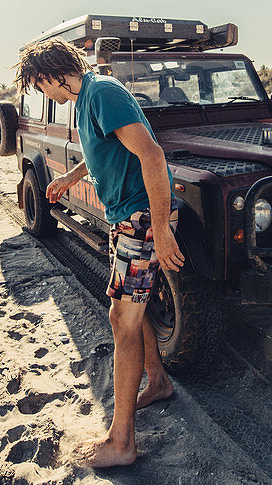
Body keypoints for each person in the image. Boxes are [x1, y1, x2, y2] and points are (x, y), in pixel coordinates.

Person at [14, 38, 183, 468]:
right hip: (126, 217)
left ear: (51, 73)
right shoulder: (87, 97)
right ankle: (158, 381)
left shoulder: (103, 92)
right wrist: (70, 177)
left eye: (40, 85)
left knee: (122, 320)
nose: (43, 94)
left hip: (142, 219)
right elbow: (104, 152)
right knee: (132, 308)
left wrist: (160, 230)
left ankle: (122, 442)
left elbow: (151, 153)